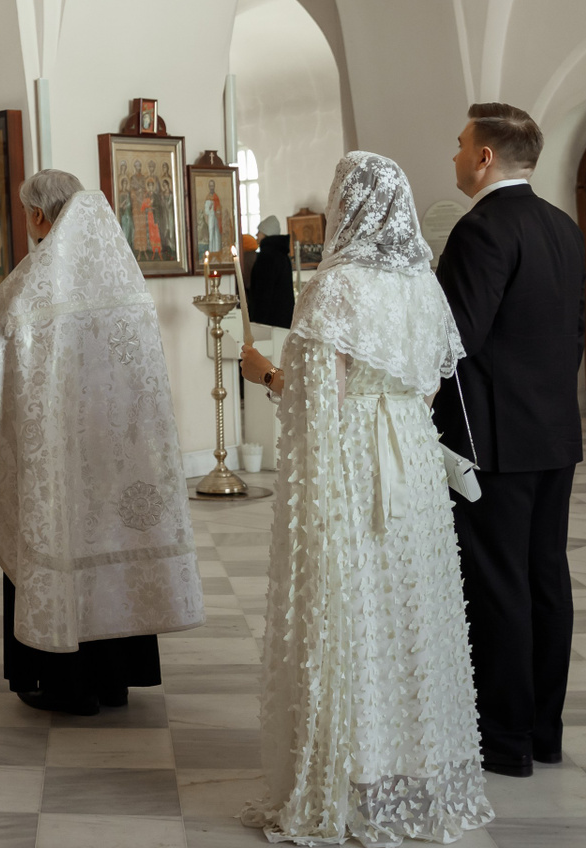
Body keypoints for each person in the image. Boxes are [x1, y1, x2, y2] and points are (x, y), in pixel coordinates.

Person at [239, 153, 491, 844]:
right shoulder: (423, 287)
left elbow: (316, 402)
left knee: (350, 606)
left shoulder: (334, 288)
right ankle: (409, 764)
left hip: (352, 465)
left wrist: (266, 373)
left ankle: (348, 767)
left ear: (347, 205)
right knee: (408, 605)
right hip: (412, 462)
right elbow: (430, 390)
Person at [0, 168, 203, 716]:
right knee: (112, 542)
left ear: (38, 215)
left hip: (58, 456)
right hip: (118, 451)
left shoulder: (32, 279)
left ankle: (66, 684)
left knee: (59, 540)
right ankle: (116, 679)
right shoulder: (124, 276)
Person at [432, 102, 585, 779]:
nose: (456, 155)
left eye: (461, 144)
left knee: (498, 585)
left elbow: (455, 340)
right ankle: (544, 732)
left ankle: (504, 738)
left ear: (485, 156)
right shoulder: (561, 225)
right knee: (545, 577)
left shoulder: (482, 228)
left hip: (491, 436)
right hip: (553, 431)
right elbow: (573, 334)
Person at [245, 213, 295, 328]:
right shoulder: (282, 255)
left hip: (269, 321)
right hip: (283, 319)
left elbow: (263, 292)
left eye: (259, 231)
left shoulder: (267, 257)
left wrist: (257, 320)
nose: (256, 235)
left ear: (266, 233)